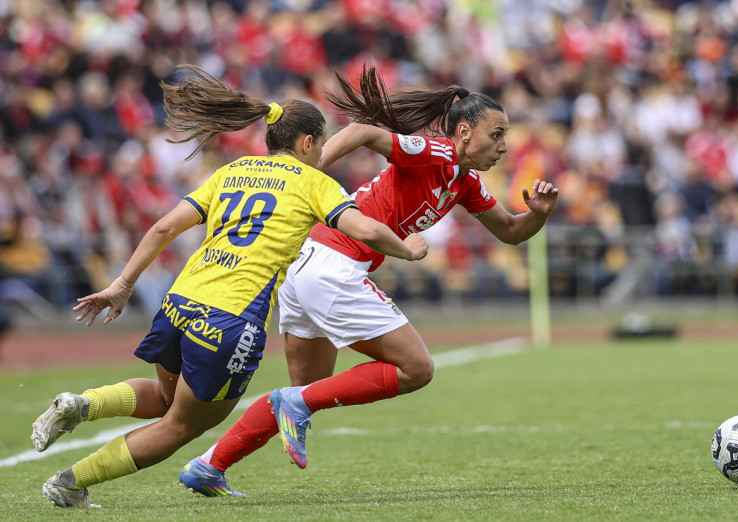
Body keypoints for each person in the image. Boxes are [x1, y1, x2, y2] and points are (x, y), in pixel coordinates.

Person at [30, 64, 427, 509]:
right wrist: (408, 249)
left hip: (179, 302)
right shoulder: (314, 181)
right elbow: (366, 231)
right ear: (308, 142)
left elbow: (163, 226)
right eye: (321, 145)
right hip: (230, 320)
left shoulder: (232, 171)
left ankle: (82, 404)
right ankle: (70, 481)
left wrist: (122, 284)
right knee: (182, 424)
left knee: (165, 397)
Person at [177, 65, 559, 496]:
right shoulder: (437, 153)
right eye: (497, 134)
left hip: (308, 268)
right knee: (417, 368)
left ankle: (210, 466)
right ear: (465, 131)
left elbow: (509, 231)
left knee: (303, 392)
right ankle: (289, 408)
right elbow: (360, 131)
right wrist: (308, 175)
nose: (505, 147)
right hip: (332, 267)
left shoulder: (464, 180)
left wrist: (539, 216)